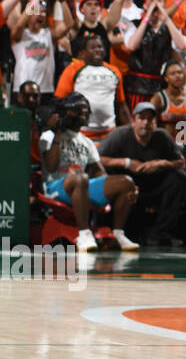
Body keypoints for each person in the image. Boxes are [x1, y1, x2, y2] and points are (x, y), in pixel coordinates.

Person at [39, 93, 139, 252]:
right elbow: (50, 166)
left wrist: (122, 189)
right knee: (80, 178)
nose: (83, 116)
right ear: (66, 113)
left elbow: (100, 174)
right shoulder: (48, 135)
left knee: (126, 182)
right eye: (78, 112)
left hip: (81, 186)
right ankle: (84, 234)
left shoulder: (86, 142)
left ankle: (118, 234)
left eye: (85, 113)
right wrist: (57, 130)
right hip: (55, 187)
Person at [97, 100, 186, 245]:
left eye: (150, 119)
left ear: (155, 123)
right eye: (141, 118)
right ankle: (112, 230)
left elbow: (181, 162)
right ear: (133, 121)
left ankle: (161, 232)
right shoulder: (120, 135)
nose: (145, 123)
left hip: (152, 183)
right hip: (125, 184)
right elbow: (97, 159)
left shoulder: (162, 136)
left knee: (179, 178)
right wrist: (127, 163)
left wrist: (159, 163)